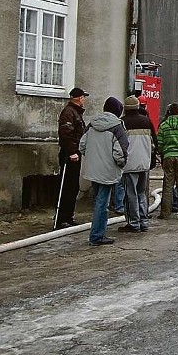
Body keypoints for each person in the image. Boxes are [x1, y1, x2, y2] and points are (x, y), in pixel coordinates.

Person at [80, 97, 129, 245]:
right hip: (108, 171)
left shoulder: (92, 124)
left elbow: (82, 145)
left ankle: (97, 234)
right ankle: (97, 236)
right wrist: (121, 165)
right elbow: (120, 152)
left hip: (93, 169)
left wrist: (92, 159)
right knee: (103, 203)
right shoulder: (118, 127)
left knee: (98, 201)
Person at [119, 95, 157, 233]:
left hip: (129, 164)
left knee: (131, 194)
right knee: (142, 193)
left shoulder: (122, 123)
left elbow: (119, 145)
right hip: (144, 163)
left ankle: (134, 223)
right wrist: (151, 159)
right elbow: (154, 142)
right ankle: (143, 221)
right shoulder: (147, 121)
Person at [55, 86, 88, 229]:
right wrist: (72, 151)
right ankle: (61, 218)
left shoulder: (76, 112)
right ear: (79, 98)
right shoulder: (69, 113)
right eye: (83, 97)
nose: (84, 100)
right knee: (67, 186)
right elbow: (66, 133)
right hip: (70, 154)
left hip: (75, 152)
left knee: (73, 186)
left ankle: (69, 216)